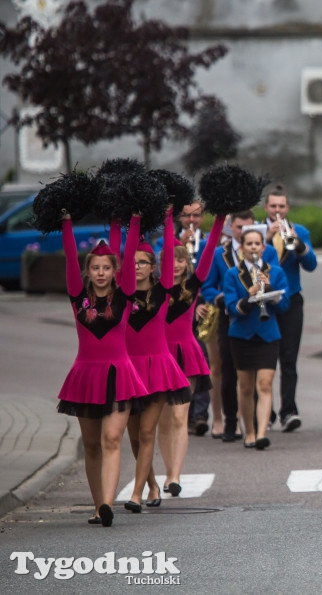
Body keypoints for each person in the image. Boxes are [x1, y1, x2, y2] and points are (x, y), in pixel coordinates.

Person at [57, 212, 147, 527]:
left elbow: (126, 247)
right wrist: (66, 222)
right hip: (86, 376)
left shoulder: (124, 296)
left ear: (114, 272)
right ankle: (98, 506)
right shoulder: (78, 298)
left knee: (112, 438)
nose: (100, 273)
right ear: (88, 271)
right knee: (92, 445)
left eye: (106, 268)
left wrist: (131, 220)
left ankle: (107, 504)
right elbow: (70, 258)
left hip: (120, 375)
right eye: (95, 268)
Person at [123, 207, 194, 512]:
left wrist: (167, 218)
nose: (137, 266)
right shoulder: (121, 294)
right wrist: (131, 220)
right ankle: (151, 484)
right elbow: (120, 251)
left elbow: (168, 253)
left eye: (143, 262)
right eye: (133, 262)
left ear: (154, 266)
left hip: (157, 369)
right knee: (135, 437)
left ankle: (136, 494)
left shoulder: (163, 290)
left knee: (148, 431)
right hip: (128, 371)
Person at [159, 211, 227, 498]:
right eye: (170, 260)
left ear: (187, 262)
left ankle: (175, 475)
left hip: (186, 353)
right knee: (162, 420)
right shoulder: (156, 289)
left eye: (180, 260)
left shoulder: (193, 284)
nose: (175, 266)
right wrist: (167, 217)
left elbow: (210, 248)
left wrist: (220, 217)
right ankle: (165, 471)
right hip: (160, 356)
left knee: (179, 417)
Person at [201, 210, 278, 442]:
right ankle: (230, 422)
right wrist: (227, 297)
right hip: (230, 314)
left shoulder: (268, 252)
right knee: (227, 368)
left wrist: (269, 290)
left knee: (261, 376)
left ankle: (256, 425)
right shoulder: (219, 254)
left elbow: (277, 277)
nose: (244, 232)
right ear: (231, 228)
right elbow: (208, 287)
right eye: (239, 228)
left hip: (261, 316)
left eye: (248, 228)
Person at [222, 224, 290, 450]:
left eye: (257, 244)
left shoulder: (276, 272)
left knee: (265, 384)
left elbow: (285, 304)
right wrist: (250, 296)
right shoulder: (233, 274)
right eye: (249, 244)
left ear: (263, 248)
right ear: (242, 248)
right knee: (245, 387)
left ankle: (262, 432)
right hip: (241, 334)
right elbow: (231, 308)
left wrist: (269, 291)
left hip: (268, 334)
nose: (253, 248)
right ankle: (249, 431)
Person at [264, 185, 318, 433]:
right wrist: (266, 238)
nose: (277, 211)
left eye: (281, 206)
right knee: (264, 361)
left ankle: (288, 411)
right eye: (273, 206)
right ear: (266, 208)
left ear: (287, 208)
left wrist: (298, 245)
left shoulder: (300, 231)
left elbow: (311, 265)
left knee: (288, 359)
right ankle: (265, 412)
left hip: (291, 300)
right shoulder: (255, 230)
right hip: (262, 300)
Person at [157, 199, 212, 436]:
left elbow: (205, 275)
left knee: (200, 360)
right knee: (165, 413)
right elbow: (166, 266)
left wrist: (203, 303)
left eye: (196, 215)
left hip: (195, 308)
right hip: (164, 338)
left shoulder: (206, 242)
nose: (192, 220)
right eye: (187, 215)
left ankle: (199, 414)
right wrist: (180, 242)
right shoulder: (163, 245)